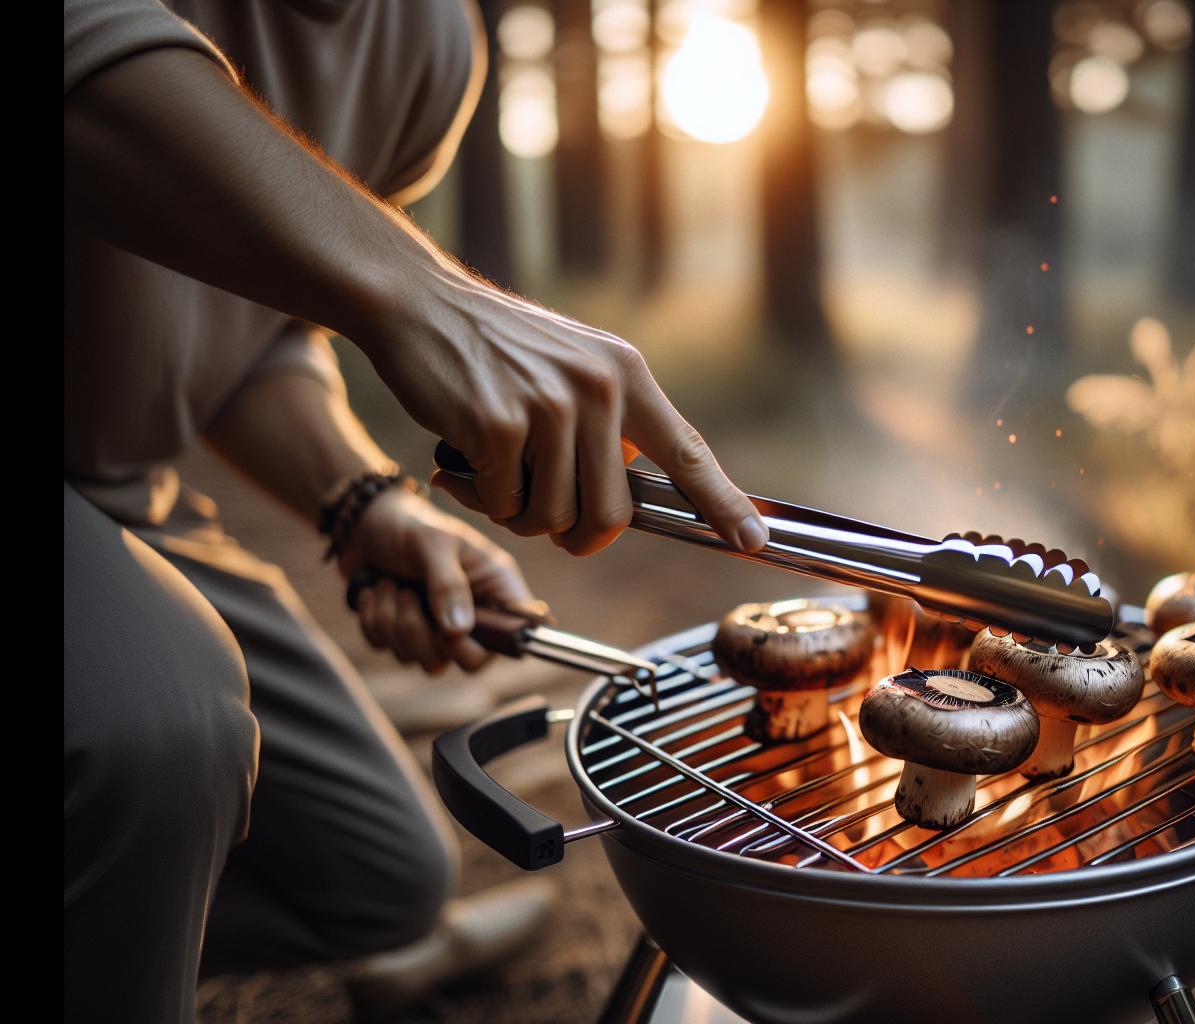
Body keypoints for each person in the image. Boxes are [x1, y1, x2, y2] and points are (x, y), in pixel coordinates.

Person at [63, 2, 768, 1020]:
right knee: (159, 729)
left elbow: (243, 330)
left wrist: (357, 499)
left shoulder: (427, 47)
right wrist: (419, 289)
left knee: (377, 874)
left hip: (125, 499)